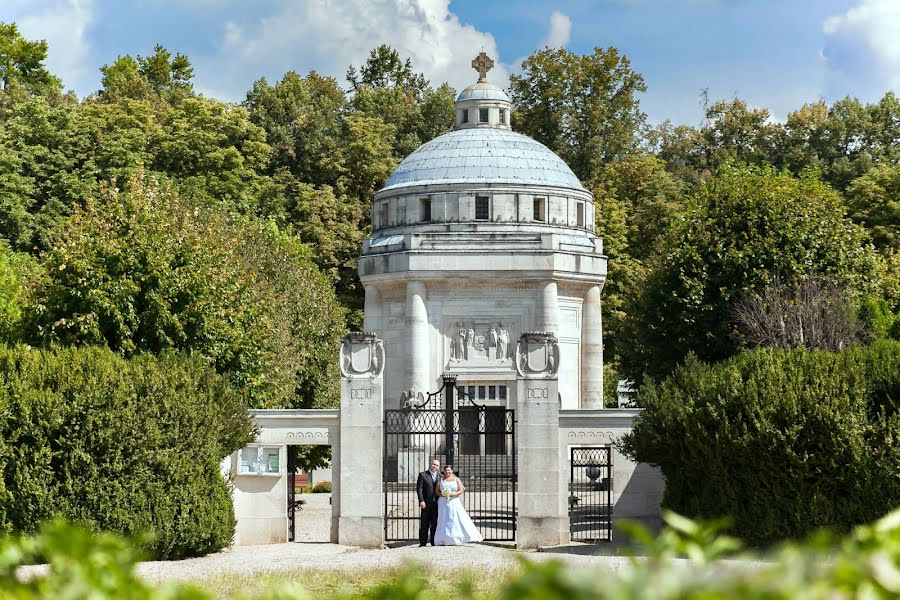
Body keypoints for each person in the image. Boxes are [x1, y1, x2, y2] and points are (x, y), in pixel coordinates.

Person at [434, 465, 484, 545]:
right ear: (444, 471)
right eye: (446, 470)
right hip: (443, 501)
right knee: (443, 519)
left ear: (452, 471)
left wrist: (453, 494)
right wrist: (443, 494)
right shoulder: (440, 480)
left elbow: (460, 490)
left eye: (449, 470)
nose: (447, 472)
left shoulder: (456, 479)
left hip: (454, 501)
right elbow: (437, 491)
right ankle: (443, 538)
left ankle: (456, 537)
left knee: (454, 518)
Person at [416, 459, 441, 546]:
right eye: (434, 464)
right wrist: (421, 500)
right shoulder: (423, 475)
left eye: (437, 465)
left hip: (437, 503)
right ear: (430, 464)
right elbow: (419, 489)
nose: (435, 466)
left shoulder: (440, 476)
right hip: (426, 503)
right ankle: (423, 542)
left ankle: (433, 541)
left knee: (435, 523)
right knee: (424, 523)